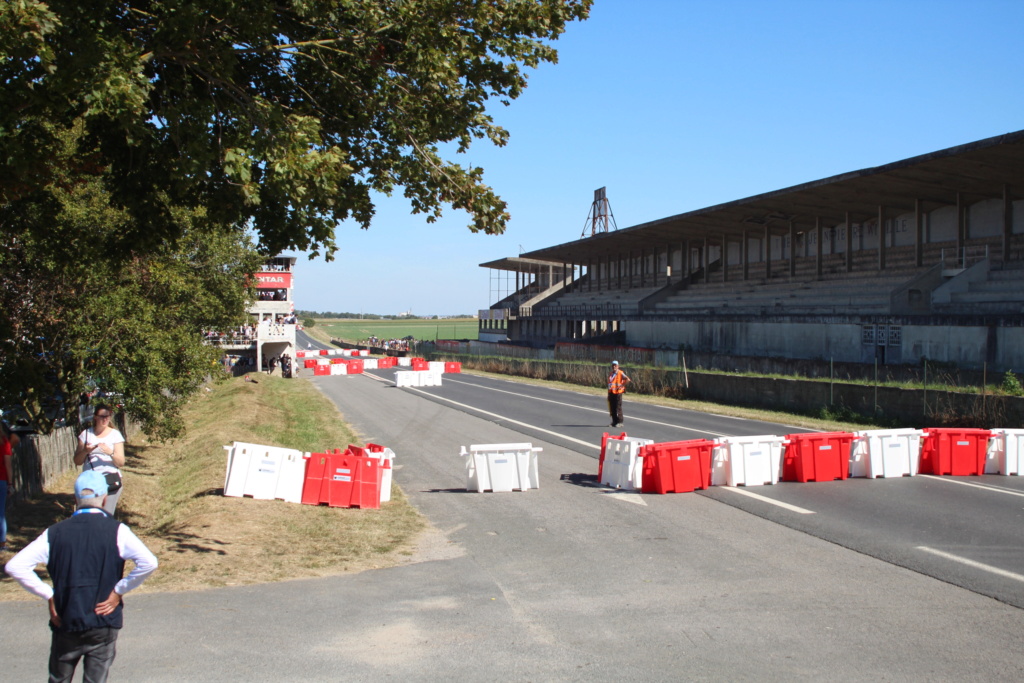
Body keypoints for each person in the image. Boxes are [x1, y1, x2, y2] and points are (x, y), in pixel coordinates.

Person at [5, 470, 157, 683]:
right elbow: (149, 562)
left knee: (59, 678)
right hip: (103, 618)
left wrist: (49, 594)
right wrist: (119, 590)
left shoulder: (54, 533)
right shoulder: (117, 531)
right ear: (105, 498)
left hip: (66, 616)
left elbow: (15, 566)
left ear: (76, 499)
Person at [73, 404, 125, 516]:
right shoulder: (86, 434)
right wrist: (85, 451)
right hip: (90, 482)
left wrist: (110, 452)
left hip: (109, 480)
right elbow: (77, 461)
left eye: (108, 416)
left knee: (106, 515)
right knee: (88, 514)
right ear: (95, 417)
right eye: (102, 416)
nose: (105, 419)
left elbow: (121, 462)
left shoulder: (115, 435)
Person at [1, 423, 20, 552]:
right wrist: (10, 483)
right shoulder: (4, 443)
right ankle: (2, 543)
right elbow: (8, 464)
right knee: (0, 513)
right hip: (1, 480)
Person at [607, 360, 631, 428]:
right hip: (611, 392)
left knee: (618, 407)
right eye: (613, 365)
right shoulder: (611, 374)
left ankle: (620, 422)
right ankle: (614, 422)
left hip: (618, 393)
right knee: (612, 408)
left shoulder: (620, 373)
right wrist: (608, 394)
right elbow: (610, 384)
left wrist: (622, 385)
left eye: (615, 365)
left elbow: (628, 379)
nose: (614, 366)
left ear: (618, 366)